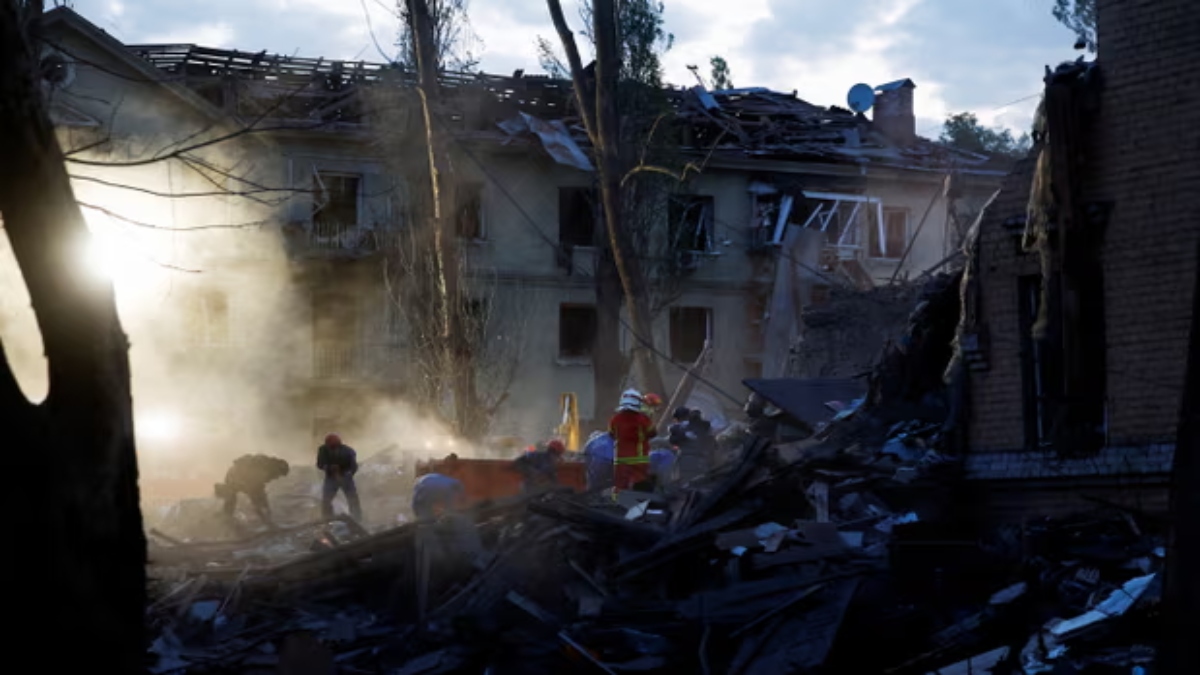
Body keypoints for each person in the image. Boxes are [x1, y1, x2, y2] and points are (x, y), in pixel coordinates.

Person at [214, 454, 290, 528]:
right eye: (279, 475)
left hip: (239, 477)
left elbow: (258, 492)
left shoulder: (266, 466)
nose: (277, 478)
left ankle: (224, 517)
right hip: (236, 478)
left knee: (261, 503)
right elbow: (255, 493)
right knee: (231, 501)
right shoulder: (263, 469)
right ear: (277, 468)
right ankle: (223, 522)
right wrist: (266, 520)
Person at [609, 389, 658, 492]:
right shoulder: (643, 419)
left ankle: (617, 504)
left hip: (620, 459)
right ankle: (639, 505)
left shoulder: (615, 419)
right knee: (640, 485)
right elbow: (653, 433)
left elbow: (611, 434)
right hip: (639, 458)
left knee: (620, 485)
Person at [316, 432, 363, 521]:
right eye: (330, 447)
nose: (332, 449)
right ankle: (327, 520)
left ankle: (357, 519)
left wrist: (347, 475)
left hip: (345, 477)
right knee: (326, 500)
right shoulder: (322, 450)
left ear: (339, 445)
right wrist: (329, 468)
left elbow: (354, 467)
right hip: (331, 477)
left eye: (334, 447)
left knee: (352, 499)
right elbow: (319, 464)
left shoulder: (349, 451)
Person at [412, 454, 466, 520]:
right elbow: (459, 488)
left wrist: (417, 514)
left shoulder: (421, 480)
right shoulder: (448, 480)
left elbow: (416, 501)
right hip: (443, 492)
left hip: (427, 495)